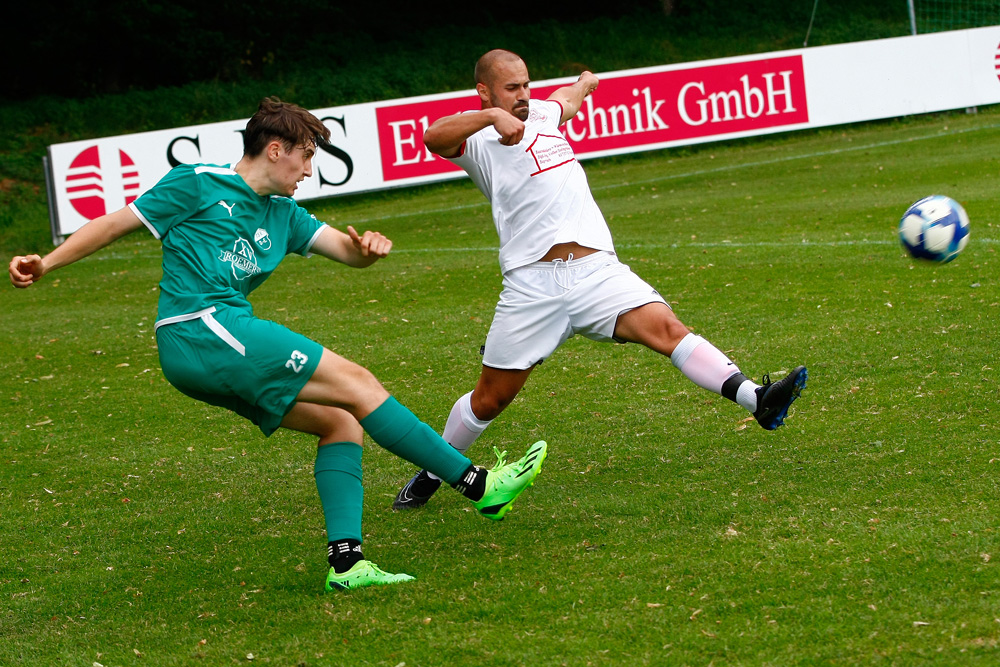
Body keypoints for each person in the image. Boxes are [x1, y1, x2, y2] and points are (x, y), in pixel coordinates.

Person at [9, 96, 548, 591]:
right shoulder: (197, 182)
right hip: (200, 327)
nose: (310, 170)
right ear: (275, 149)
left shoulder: (284, 215)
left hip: (211, 346)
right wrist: (46, 262)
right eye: (306, 156)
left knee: (340, 421)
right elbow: (114, 224)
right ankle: (478, 485)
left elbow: (345, 249)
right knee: (358, 383)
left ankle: (347, 564)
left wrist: (368, 249)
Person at [393, 50, 806, 509]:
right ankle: (431, 474)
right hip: (532, 286)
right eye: (511, 89)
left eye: (526, 85)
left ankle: (758, 399)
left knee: (669, 330)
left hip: (596, 273)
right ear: (485, 92)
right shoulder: (478, 141)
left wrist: (585, 83)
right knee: (489, 400)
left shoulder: (543, 113)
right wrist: (490, 116)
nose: (523, 96)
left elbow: (565, 101)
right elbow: (432, 136)